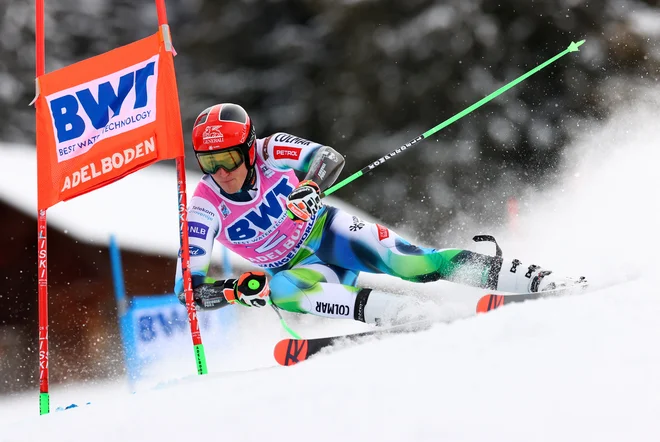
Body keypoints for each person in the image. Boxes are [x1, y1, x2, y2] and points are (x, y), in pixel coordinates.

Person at [174, 103, 583, 325]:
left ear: (247, 147)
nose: (221, 172)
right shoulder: (206, 205)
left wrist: (309, 187)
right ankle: (402, 315)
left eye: (227, 158)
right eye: (209, 163)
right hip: (303, 270)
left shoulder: (270, 150)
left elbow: (326, 157)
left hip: (328, 231)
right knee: (280, 290)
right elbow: (185, 290)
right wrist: (231, 291)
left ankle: (534, 278)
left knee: (413, 264)